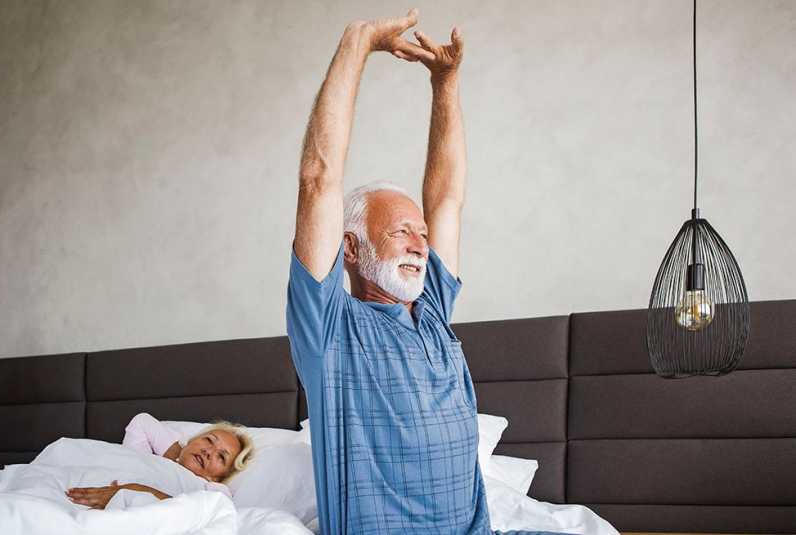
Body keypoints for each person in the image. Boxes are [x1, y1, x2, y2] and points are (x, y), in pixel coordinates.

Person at [287, 8, 566, 535]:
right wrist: (358, 43)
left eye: (420, 233)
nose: (421, 246)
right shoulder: (329, 330)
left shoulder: (433, 310)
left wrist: (445, 83)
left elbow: (447, 199)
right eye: (400, 233)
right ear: (350, 248)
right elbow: (318, 178)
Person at [66, 413, 253, 509]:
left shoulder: (212, 490)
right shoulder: (146, 458)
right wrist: (180, 454)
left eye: (221, 457)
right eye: (208, 440)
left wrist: (136, 492)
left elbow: (205, 514)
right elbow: (142, 421)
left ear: (219, 477)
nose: (208, 451)